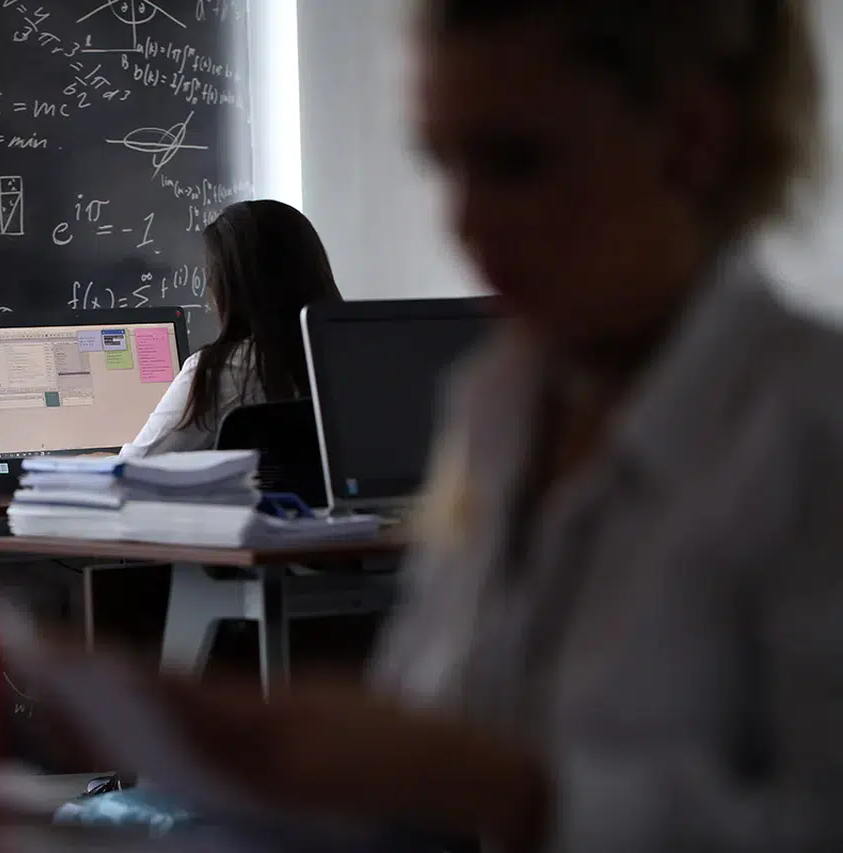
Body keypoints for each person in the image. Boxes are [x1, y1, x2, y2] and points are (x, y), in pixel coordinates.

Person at [81, 1, 843, 851]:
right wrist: (280, 755)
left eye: (516, 160)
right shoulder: (496, 406)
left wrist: (521, 795)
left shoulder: (811, 427)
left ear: (693, 140)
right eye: (443, 163)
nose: (464, 222)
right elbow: (428, 742)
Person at [118, 199, 343, 457]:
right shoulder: (359, 357)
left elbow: (138, 465)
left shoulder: (222, 372)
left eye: (212, 276)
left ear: (231, 286)